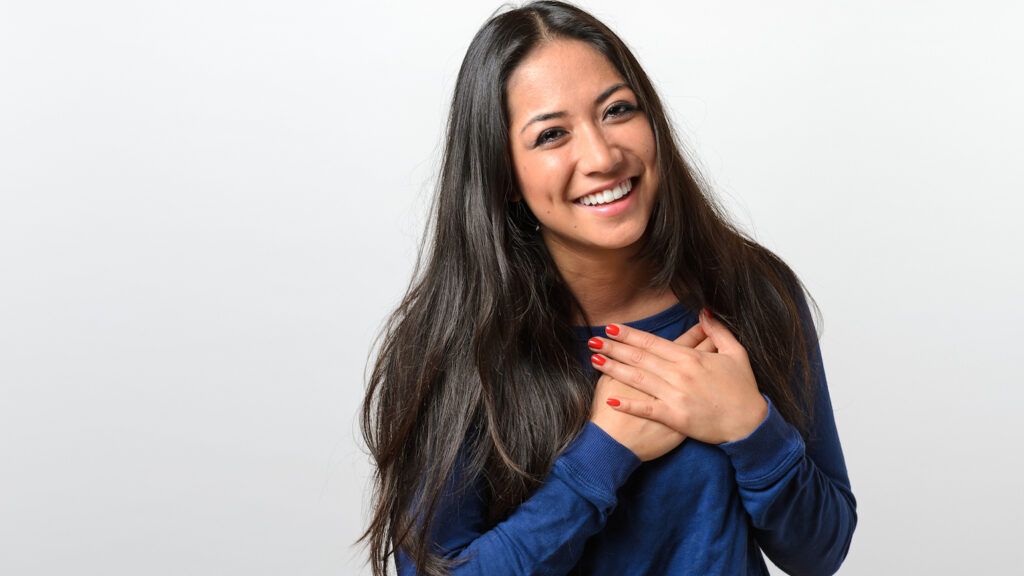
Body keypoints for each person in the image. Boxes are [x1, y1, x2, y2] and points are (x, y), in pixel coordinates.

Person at [358, 1, 857, 574]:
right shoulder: (451, 350)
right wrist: (601, 458)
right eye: (551, 135)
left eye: (617, 110)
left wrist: (751, 427)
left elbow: (820, 552)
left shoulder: (752, 292)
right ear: (505, 177)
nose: (601, 156)